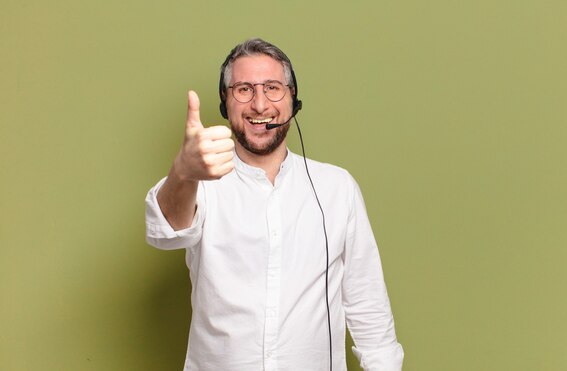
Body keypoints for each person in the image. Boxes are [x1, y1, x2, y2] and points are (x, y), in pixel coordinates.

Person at [145, 38, 403, 370]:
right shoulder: (197, 183)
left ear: (293, 99)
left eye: (272, 88)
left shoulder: (337, 188)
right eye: (243, 90)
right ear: (225, 103)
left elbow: (368, 305)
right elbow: (165, 234)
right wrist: (183, 172)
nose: (260, 105)